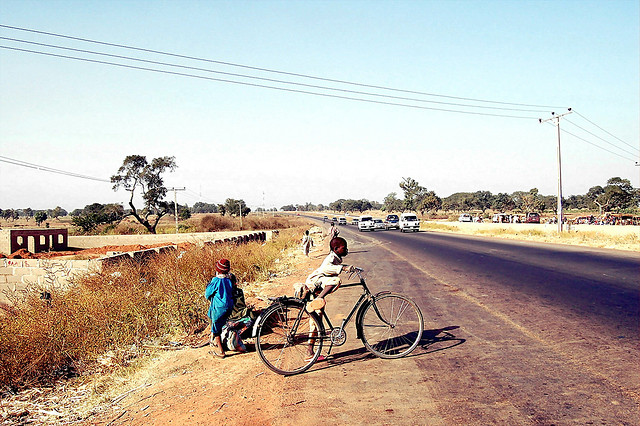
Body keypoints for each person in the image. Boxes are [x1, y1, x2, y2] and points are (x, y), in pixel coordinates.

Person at [303, 236, 354, 361]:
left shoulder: (336, 258)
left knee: (316, 321)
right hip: (315, 284)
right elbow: (326, 268)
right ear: (336, 248)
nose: (346, 250)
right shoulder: (331, 258)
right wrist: (343, 268)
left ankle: (310, 351)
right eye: (344, 248)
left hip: (319, 285)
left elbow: (335, 268)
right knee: (336, 280)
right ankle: (318, 300)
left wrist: (349, 267)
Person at [205, 258, 235, 358]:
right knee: (218, 322)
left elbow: (207, 294)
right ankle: (220, 341)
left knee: (216, 327)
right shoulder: (228, 281)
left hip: (219, 308)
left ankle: (221, 351)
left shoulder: (216, 281)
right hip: (229, 306)